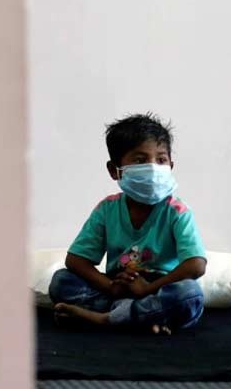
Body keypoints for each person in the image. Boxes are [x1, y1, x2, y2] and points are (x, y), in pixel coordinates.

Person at [49, 113, 206, 335]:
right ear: (114, 170)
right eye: (140, 160)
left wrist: (147, 289)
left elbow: (196, 265)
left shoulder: (177, 211)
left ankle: (108, 318)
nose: (152, 168)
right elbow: (75, 260)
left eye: (160, 159)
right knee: (61, 281)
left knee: (190, 295)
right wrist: (110, 286)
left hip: (160, 289)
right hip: (118, 288)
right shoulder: (108, 209)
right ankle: (143, 317)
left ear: (171, 165)